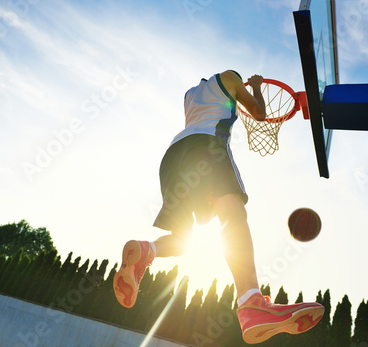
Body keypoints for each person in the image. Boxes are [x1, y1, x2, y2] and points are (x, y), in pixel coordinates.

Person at [113, 70, 324, 344]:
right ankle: (252, 302)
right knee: (233, 215)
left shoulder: (189, 96)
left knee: (183, 240)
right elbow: (259, 114)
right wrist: (257, 87)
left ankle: (146, 250)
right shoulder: (230, 77)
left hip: (173, 157)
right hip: (208, 145)